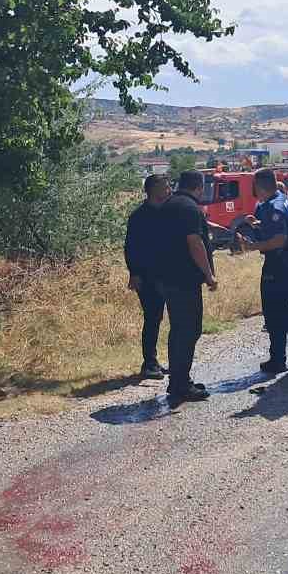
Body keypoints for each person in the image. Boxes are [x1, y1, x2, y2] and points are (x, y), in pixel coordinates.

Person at [152, 169, 218, 407]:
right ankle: (181, 384)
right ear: (199, 187)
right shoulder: (190, 209)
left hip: (166, 278)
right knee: (190, 330)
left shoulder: (167, 205)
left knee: (178, 330)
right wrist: (209, 275)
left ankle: (177, 380)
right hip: (184, 281)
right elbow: (195, 243)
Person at [239, 168, 288, 376]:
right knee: (284, 307)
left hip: (281, 261)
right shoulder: (281, 200)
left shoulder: (274, 206)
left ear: (259, 186)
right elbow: (275, 229)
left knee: (273, 311)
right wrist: (256, 225)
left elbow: (279, 239)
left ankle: (278, 359)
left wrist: (252, 247)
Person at [124, 174, 173, 381]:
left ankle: (167, 361)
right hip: (147, 276)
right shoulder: (139, 216)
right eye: (165, 185)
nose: (169, 188)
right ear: (153, 189)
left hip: (168, 274)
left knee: (169, 318)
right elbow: (131, 248)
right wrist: (134, 273)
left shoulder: (169, 212)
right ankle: (149, 363)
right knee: (152, 318)